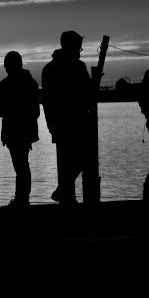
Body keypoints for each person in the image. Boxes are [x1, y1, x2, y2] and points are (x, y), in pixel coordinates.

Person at [41, 31, 92, 205]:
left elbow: (46, 100)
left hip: (62, 122)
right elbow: (87, 92)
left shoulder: (50, 68)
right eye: (78, 46)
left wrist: (50, 124)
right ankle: (65, 193)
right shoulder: (77, 67)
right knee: (82, 159)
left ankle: (66, 194)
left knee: (68, 162)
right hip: (72, 121)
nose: (80, 50)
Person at [0, 51, 40, 209]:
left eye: (6, 64)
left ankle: (21, 199)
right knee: (22, 165)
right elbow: (35, 111)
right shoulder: (31, 82)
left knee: (20, 166)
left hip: (14, 131)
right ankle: (22, 199)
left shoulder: (6, 84)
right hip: (26, 130)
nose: (5, 67)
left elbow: (5, 111)